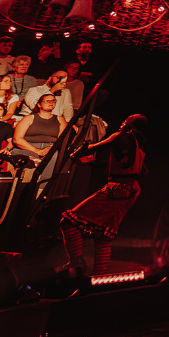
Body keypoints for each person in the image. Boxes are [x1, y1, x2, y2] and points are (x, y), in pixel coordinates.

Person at [60, 114, 148, 275]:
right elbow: (135, 169)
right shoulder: (139, 144)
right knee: (104, 234)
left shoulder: (120, 136)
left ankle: (76, 262)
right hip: (132, 188)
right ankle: (99, 273)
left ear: (129, 124)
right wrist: (96, 163)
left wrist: (78, 153)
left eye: (126, 120)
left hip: (118, 188)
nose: (122, 122)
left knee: (68, 222)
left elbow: (94, 147)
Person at [11, 90, 66, 176]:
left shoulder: (60, 119)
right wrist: (37, 151)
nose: (51, 103)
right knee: (31, 159)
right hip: (28, 147)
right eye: (47, 101)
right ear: (39, 104)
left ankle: (43, 184)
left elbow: (62, 139)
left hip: (50, 148)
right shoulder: (29, 118)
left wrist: (50, 148)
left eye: (53, 101)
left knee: (54, 156)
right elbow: (17, 139)